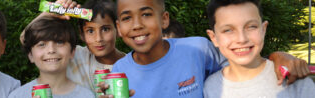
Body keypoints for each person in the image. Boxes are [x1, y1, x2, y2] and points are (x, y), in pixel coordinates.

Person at [98, 0, 311, 97]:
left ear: (164, 19)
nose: (137, 25)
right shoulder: (117, 73)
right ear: (118, 27)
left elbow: (244, 62)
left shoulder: (197, 49)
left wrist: (278, 57)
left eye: (146, 14)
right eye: (126, 18)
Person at [203, 0, 315, 97]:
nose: (241, 39)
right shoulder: (210, 87)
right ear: (214, 38)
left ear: (263, 29)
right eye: (228, 30)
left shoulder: (294, 80)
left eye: (251, 27)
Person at [8, 13, 94, 98]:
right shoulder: (17, 95)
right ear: (30, 55)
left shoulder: (86, 95)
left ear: (72, 51)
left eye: (59, 42)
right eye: (42, 44)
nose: (51, 50)